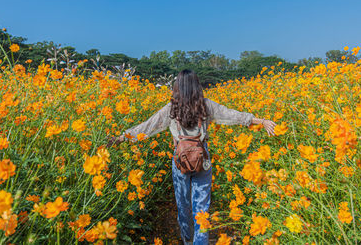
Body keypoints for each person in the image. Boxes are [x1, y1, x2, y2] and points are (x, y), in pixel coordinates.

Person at [107, 69, 276, 244]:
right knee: (202, 208)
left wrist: (120, 138)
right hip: (202, 160)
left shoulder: (171, 108)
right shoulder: (206, 105)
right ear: (197, 86)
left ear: (177, 86)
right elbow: (233, 115)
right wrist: (261, 121)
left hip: (180, 161)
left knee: (183, 206)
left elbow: (147, 127)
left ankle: (187, 240)